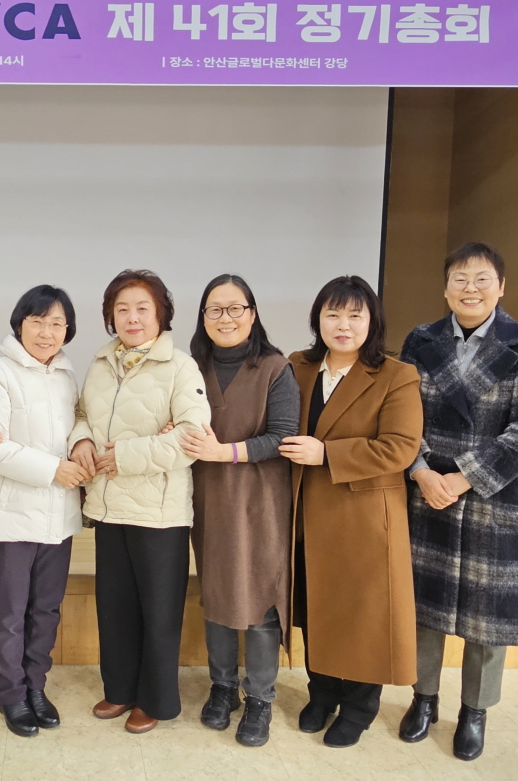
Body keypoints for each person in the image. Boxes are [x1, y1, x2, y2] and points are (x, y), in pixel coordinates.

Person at [398, 243, 518, 761]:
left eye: (482, 279)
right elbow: (399, 415)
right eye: (460, 279)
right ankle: (423, 699)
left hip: (495, 494)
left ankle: (475, 711)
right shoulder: (420, 339)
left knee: (489, 615)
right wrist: (421, 471)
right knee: (424, 605)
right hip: (427, 489)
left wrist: (463, 478)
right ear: (445, 288)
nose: (470, 288)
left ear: (501, 287)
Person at [279, 275, 423, 748]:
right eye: (333, 314)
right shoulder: (298, 366)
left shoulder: (396, 375)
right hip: (306, 513)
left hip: (365, 517)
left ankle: (359, 708)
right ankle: (321, 694)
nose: (343, 325)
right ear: (318, 319)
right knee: (317, 607)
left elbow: (400, 447)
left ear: (372, 321)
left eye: (355, 315)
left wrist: (327, 454)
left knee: (363, 613)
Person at [68, 269, 211, 734]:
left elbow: (191, 437)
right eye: (122, 309)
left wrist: (122, 457)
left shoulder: (181, 367)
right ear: (110, 315)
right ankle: (121, 689)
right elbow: (82, 413)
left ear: (161, 314)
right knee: (115, 606)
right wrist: (80, 441)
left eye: (142, 308)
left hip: (159, 512)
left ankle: (156, 700)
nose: (132, 318)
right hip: (108, 507)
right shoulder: (100, 363)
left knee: (158, 612)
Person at [181, 274, 299, 748]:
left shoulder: (275, 368)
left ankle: (261, 697)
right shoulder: (190, 368)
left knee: (262, 598)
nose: (225, 318)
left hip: (261, 500)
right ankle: (223, 686)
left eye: (235, 308)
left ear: (252, 314)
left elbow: (284, 436)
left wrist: (223, 453)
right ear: (203, 317)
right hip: (208, 498)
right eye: (215, 309)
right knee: (217, 593)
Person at [0, 285, 87, 737]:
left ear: (67, 331)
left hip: (59, 516)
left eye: (57, 323)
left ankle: (36, 686)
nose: (46, 332)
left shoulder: (66, 376)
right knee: (9, 613)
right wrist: (55, 469)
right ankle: (12, 694)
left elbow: (78, 422)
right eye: (37, 321)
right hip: (10, 516)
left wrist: (82, 443)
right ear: (20, 324)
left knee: (46, 609)